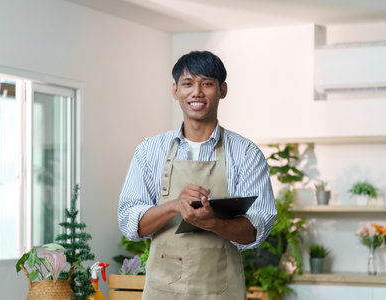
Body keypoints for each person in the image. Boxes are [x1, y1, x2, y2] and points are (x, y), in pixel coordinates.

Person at [118, 50, 276, 300]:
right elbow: (130, 223)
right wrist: (174, 206)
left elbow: (257, 229)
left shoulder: (246, 153)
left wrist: (213, 222)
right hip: (163, 291)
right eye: (188, 83)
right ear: (175, 90)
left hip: (221, 291)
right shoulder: (149, 151)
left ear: (222, 90)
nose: (197, 92)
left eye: (207, 83)